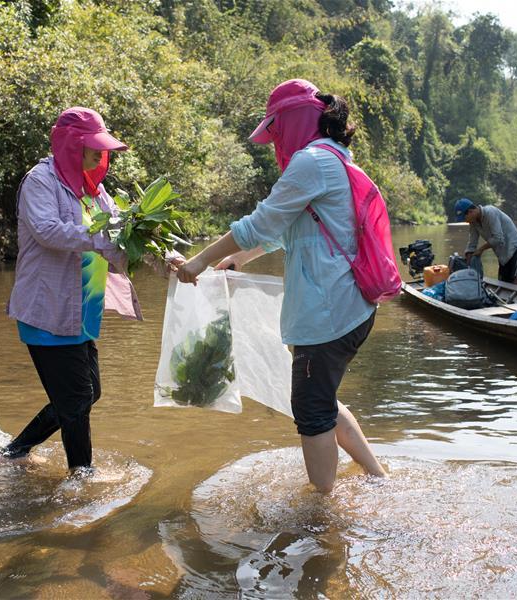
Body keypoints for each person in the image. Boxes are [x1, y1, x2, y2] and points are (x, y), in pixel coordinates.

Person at [176, 79, 387, 493]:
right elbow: (280, 231)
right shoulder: (334, 158)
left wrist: (199, 259)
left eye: (275, 131)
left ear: (291, 124)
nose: (274, 142)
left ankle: (322, 512)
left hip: (328, 314)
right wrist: (238, 257)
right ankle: (377, 478)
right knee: (321, 399)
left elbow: (260, 223)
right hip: (349, 307)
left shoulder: (311, 162)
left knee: (310, 410)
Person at [1, 107, 181, 477]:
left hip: (80, 312)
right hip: (48, 311)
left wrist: (169, 261)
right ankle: (81, 479)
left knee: (84, 395)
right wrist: (103, 238)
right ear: (72, 145)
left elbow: (127, 239)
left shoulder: (94, 193)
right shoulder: (41, 181)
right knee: (77, 399)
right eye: (95, 148)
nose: (103, 156)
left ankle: (13, 453)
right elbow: (48, 230)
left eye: (104, 149)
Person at [455, 198, 517, 285]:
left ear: (471, 211)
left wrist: (481, 249)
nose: (465, 221)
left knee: (516, 281)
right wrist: (469, 256)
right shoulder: (474, 223)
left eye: (465, 218)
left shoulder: (490, 212)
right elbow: (472, 242)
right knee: (503, 285)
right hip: (503, 257)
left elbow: (498, 238)